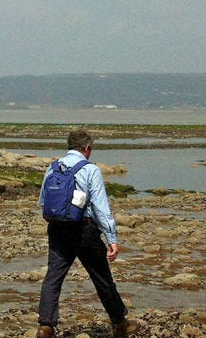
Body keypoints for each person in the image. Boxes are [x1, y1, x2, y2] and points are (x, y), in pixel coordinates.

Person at [36, 128, 138, 338]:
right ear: (87, 148)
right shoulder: (90, 169)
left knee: (53, 277)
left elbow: (43, 202)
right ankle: (120, 323)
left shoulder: (53, 167)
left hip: (57, 228)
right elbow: (101, 207)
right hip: (84, 229)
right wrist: (112, 239)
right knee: (101, 277)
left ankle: (45, 326)